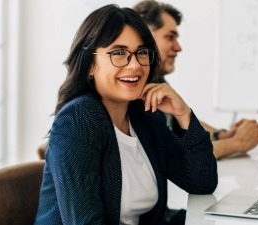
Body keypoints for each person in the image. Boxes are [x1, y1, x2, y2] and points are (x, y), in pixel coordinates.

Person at [34, 4, 218, 225]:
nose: (134, 65)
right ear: (90, 65)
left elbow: (201, 182)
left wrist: (183, 113)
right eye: (119, 53)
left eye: (141, 53)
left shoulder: (144, 116)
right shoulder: (79, 119)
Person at [133, 0, 258, 160]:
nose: (178, 47)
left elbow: (181, 122)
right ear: (145, 37)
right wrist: (237, 143)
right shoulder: (134, 88)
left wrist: (223, 135)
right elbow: (174, 156)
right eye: (170, 37)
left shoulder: (155, 79)